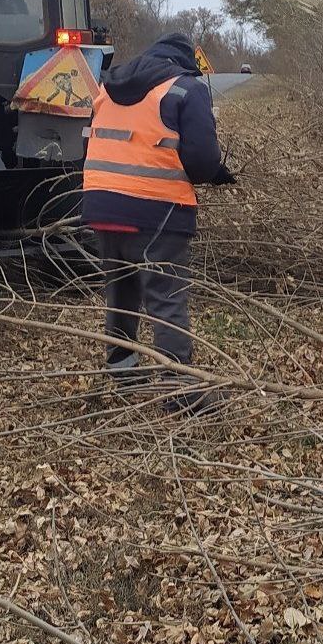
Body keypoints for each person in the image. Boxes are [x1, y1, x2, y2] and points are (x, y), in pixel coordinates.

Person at [82, 32, 234, 402]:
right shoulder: (185, 89)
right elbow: (200, 162)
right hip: (157, 210)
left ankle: (123, 375)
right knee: (166, 298)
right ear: (184, 61)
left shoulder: (108, 85)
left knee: (122, 292)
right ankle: (179, 390)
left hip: (102, 204)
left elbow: (93, 142)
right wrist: (217, 172)